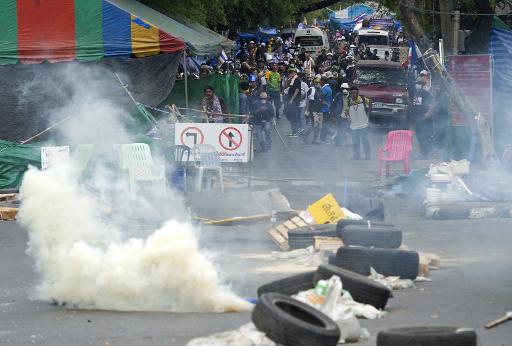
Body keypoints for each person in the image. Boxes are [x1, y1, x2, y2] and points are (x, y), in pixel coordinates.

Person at [344, 86, 370, 160]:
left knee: (364, 140)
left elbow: (369, 103)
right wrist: (348, 117)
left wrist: (368, 115)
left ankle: (368, 155)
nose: (354, 94)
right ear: (350, 93)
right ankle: (356, 155)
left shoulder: (362, 99)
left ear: (357, 93)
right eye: (352, 93)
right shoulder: (348, 101)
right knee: (355, 140)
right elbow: (346, 110)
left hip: (363, 124)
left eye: (355, 93)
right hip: (354, 125)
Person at [412, 79, 434, 159]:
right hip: (418, 118)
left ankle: (425, 154)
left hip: (424, 119)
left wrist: (428, 113)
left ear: (421, 85)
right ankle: (422, 152)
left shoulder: (426, 93)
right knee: (419, 136)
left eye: (418, 84)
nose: (416, 85)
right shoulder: (417, 93)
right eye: (416, 84)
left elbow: (432, 104)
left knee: (424, 136)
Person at [302, 75, 323, 144]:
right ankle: (305, 136)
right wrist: (307, 110)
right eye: (316, 82)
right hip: (313, 110)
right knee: (314, 125)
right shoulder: (311, 89)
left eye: (319, 82)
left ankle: (314, 140)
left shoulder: (320, 89)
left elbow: (321, 99)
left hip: (319, 109)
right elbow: (308, 100)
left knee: (319, 126)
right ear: (314, 83)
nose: (318, 84)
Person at [285, 66, 302, 137]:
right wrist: (288, 79)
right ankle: (297, 129)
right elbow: (285, 86)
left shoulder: (297, 79)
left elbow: (297, 90)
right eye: (289, 72)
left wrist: (291, 100)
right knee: (289, 114)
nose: (290, 73)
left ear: (295, 72)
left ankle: (296, 130)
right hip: (290, 99)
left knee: (292, 115)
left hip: (294, 100)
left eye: (291, 72)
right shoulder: (292, 80)